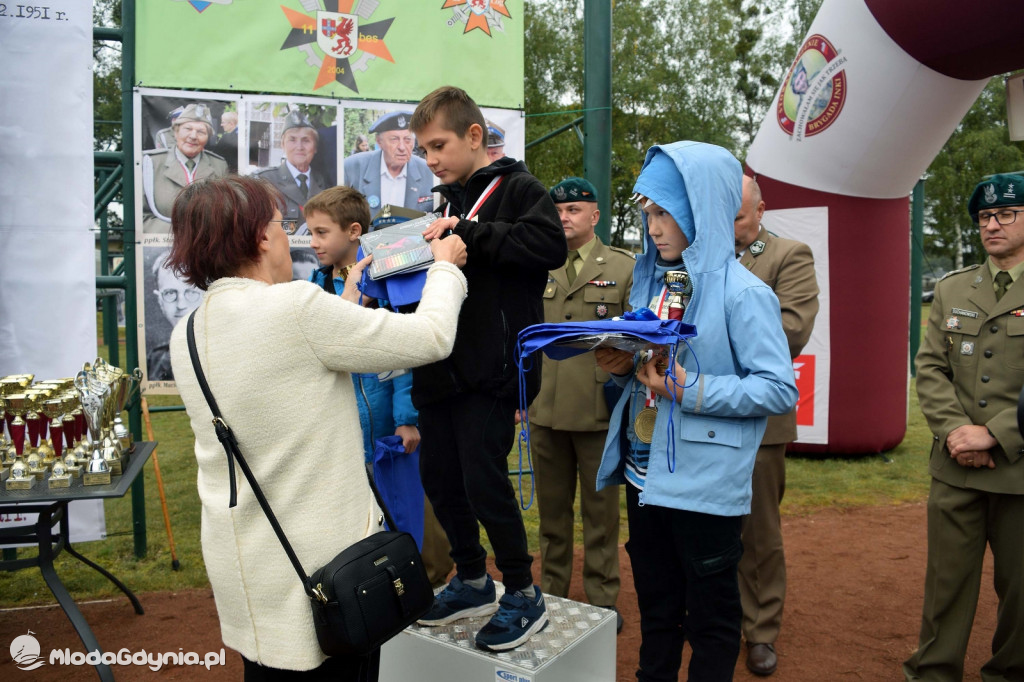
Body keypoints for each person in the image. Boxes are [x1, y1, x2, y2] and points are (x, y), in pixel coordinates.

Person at [166, 175, 468, 681]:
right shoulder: (294, 308)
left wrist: (345, 303)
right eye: (282, 227)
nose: (294, 238)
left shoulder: (190, 330)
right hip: (324, 573)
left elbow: (287, 371)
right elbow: (431, 336)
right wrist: (444, 270)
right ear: (262, 238)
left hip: (248, 565)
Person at [594, 140, 798, 681]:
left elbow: (778, 389)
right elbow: (647, 371)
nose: (654, 227)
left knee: (711, 621)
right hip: (644, 478)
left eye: (665, 213)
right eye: (650, 214)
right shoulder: (652, 280)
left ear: (699, 211)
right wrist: (621, 364)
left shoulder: (744, 293)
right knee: (657, 613)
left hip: (705, 488)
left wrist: (693, 389)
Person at [409, 85, 567, 652]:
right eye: (424, 151)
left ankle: (524, 593)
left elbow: (548, 244)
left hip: (493, 370)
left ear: (474, 137)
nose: (431, 159)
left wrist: (467, 233)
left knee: (483, 477)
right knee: (440, 478)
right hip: (439, 367)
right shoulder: (441, 201)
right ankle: (473, 578)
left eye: (438, 146)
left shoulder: (520, 188)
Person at [904, 172, 1024, 682]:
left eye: (1005, 215)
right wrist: (958, 432)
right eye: (983, 218)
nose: (991, 225)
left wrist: (995, 433)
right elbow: (930, 367)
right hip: (956, 468)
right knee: (945, 585)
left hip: (1020, 469)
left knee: (1021, 590)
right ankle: (932, 674)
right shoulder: (954, 288)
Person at [303, 186, 453, 587]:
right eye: (310, 233)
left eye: (321, 233)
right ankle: (389, 594)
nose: (313, 242)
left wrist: (407, 417)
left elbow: (407, 352)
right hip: (347, 431)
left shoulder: (390, 282)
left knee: (416, 517)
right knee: (369, 523)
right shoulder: (317, 286)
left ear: (354, 231)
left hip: (393, 426)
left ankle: (435, 586)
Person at [528, 177, 634, 633]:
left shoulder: (622, 267)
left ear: (595, 216)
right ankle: (552, 597)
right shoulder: (536, 264)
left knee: (600, 516)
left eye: (574, 210)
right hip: (544, 409)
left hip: (597, 411)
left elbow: (635, 339)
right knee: (551, 516)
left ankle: (602, 602)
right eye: (559, 210)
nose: (565, 217)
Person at [733, 175, 819, 676]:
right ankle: (715, 614)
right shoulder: (701, 254)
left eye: (740, 217)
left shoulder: (789, 255)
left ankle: (761, 630)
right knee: (704, 521)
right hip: (699, 408)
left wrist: (716, 331)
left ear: (761, 210)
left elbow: (791, 332)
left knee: (758, 531)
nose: (731, 227)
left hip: (760, 417)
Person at [142, 102, 229, 233]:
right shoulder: (151, 163)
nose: (193, 136)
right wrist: (182, 234)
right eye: (188, 129)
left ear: (207, 138)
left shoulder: (219, 166)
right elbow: (140, 216)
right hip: (163, 246)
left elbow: (226, 213)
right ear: (175, 132)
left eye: (201, 132)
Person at [254, 110, 330, 236]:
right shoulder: (265, 181)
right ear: (282, 144)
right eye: (292, 140)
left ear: (315, 147)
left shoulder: (326, 182)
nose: (299, 147)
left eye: (306, 140)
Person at [343, 111, 435, 213]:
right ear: (379, 142)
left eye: (407, 140)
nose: (402, 147)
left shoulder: (429, 170)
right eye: (394, 139)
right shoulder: (352, 167)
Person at [147, 251, 203, 381]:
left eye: (191, 292)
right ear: (159, 300)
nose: (181, 304)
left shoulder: (223, 353)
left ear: (204, 295)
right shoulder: (154, 361)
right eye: (170, 293)